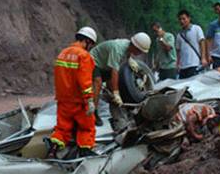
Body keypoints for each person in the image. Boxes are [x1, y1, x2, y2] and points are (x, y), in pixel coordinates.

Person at [47, 27, 97, 157]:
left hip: (63, 100)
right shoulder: (84, 56)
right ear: (87, 41)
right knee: (87, 127)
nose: (90, 48)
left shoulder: (62, 53)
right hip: (78, 101)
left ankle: (53, 147)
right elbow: (85, 80)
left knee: (62, 128)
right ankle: (85, 152)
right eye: (90, 44)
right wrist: (89, 100)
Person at [90, 32, 151, 125]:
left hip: (105, 65)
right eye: (140, 51)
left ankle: (117, 117)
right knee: (98, 83)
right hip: (93, 61)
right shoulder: (118, 48)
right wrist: (116, 92)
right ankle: (93, 113)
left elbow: (115, 70)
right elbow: (114, 71)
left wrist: (130, 60)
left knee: (111, 92)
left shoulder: (128, 47)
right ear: (135, 46)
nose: (140, 53)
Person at [175, 10, 207, 79]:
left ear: (189, 18)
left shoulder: (196, 28)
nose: (182, 21)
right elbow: (178, 50)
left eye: (184, 19)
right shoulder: (179, 35)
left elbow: (202, 43)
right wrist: (177, 63)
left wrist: (203, 58)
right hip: (183, 66)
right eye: (180, 19)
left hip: (194, 64)